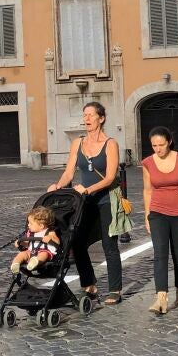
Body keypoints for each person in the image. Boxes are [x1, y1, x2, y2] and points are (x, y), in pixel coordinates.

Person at [48, 102, 124, 305]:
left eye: (91, 115)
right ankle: (89, 285)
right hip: (84, 202)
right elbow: (68, 173)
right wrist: (57, 186)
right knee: (77, 240)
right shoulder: (77, 143)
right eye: (85, 115)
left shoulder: (111, 144)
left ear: (101, 118)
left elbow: (110, 178)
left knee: (109, 245)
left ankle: (115, 290)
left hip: (106, 201)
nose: (87, 118)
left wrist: (88, 189)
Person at [141, 126, 178, 315]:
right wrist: (147, 215)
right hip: (157, 212)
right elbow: (147, 190)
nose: (157, 149)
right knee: (160, 253)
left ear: (169, 142)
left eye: (161, 145)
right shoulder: (147, 163)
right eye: (154, 146)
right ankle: (161, 298)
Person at [10, 206, 60, 274]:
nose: (28, 225)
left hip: (44, 251)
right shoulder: (30, 233)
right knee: (22, 254)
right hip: (31, 251)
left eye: (31, 223)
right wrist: (20, 243)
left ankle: (35, 262)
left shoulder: (50, 232)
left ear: (41, 226)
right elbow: (26, 244)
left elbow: (57, 242)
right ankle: (16, 264)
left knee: (44, 255)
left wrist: (50, 238)